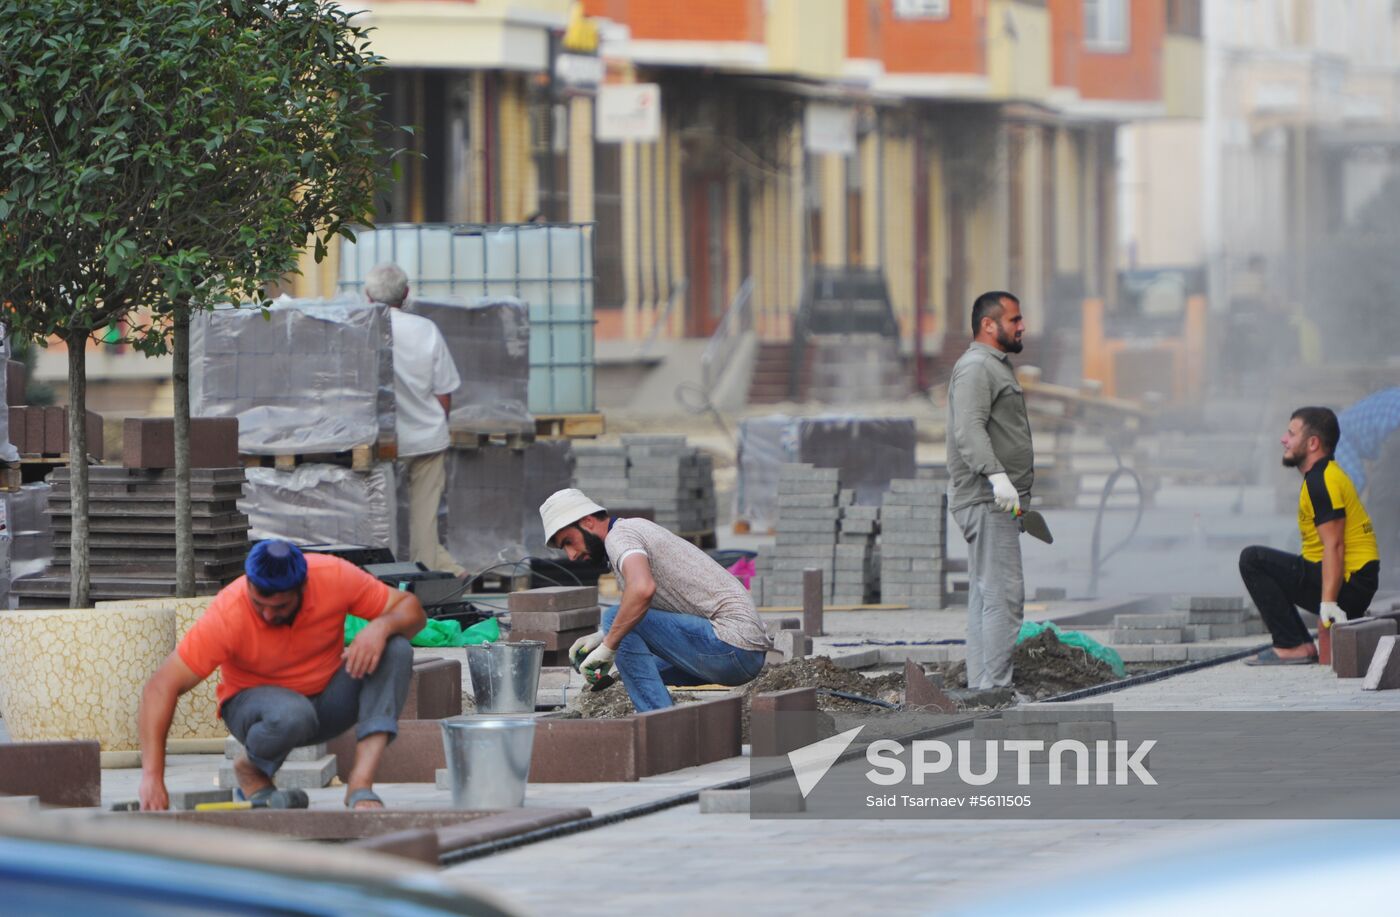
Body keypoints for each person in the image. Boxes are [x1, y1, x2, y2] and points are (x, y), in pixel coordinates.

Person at [138, 540, 427, 810]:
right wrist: (152, 777)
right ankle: (252, 770)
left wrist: (381, 626)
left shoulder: (332, 576)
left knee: (396, 649)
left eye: (279, 607)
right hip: (255, 711)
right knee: (292, 712)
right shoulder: (228, 612)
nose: (266, 616)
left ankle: (360, 785)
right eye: (258, 604)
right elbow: (160, 687)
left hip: (326, 702)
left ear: (303, 588)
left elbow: (411, 610)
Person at [539, 488, 771, 712]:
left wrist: (609, 644)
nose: (571, 555)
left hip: (731, 644)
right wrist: (602, 637)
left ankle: (659, 725)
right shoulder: (631, 533)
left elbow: (642, 590)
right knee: (631, 671)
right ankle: (669, 724)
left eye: (569, 541)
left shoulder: (620, 536)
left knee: (613, 618)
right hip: (744, 654)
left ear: (588, 521)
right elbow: (649, 606)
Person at [1241, 407, 1381, 665]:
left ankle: (1292, 645)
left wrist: (1328, 604)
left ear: (1313, 443)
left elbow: (1335, 545)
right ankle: (1298, 642)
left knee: (1253, 559)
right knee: (1271, 563)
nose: (1284, 439)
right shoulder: (1323, 476)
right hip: (1354, 579)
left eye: (1291, 434)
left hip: (1351, 583)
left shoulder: (1322, 481)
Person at [946, 291, 1035, 691]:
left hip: (994, 500)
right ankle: (996, 690)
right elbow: (969, 429)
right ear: (989, 324)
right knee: (1004, 598)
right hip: (987, 499)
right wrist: (996, 476)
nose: (1021, 327)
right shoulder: (978, 368)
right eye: (1014, 320)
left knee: (986, 598)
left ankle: (983, 689)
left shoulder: (993, 367)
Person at [365, 262, 466, 576]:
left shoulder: (363, 331)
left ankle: (386, 578)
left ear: (367, 296)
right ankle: (430, 578)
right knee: (424, 520)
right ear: (406, 294)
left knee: (381, 517)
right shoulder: (425, 329)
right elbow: (444, 391)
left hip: (381, 442)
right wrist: (435, 423)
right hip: (427, 439)